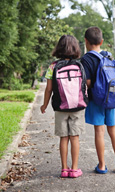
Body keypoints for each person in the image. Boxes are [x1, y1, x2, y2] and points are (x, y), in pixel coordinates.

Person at [81, 26, 115, 174]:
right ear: (101, 41)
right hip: (111, 98)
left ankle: (101, 165)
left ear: (86, 41)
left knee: (99, 131)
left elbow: (87, 82)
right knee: (113, 130)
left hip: (96, 99)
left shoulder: (86, 59)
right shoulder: (108, 55)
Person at [40, 35, 85, 178]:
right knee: (75, 137)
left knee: (63, 138)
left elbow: (48, 89)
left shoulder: (53, 66)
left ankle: (64, 169)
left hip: (60, 107)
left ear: (58, 48)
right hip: (77, 106)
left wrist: (44, 105)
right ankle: (75, 169)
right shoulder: (79, 65)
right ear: (76, 48)